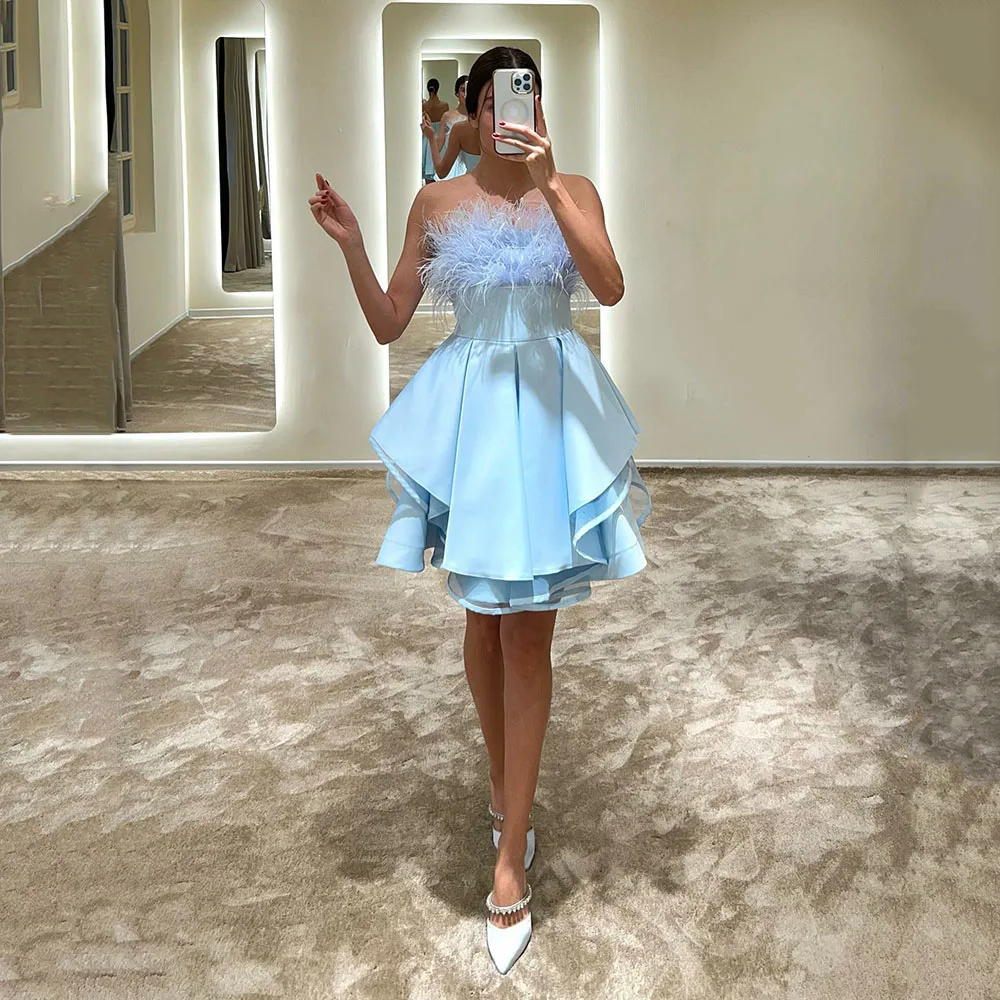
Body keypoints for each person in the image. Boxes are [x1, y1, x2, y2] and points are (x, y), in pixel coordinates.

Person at [309, 45, 651, 976]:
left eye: (525, 95)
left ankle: (510, 856)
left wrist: (551, 187)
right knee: (482, 620)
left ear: (539, 103)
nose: (510, 113)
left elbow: (610, 287)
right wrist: (351, 245)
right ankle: (506, 795)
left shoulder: (573, 188)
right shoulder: (437, 201)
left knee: (528, 633)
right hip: (472, 417)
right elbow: (391, 321)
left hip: (548, 412)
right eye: (495, 99)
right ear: (470, 110)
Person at [422, 74, 478, 180]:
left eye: (469, 90)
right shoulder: (448, 116)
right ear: (457, 93)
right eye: (463, 90)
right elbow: (439, 145)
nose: (466, 95)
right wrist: (431, 137)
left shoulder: (479, 118)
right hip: (451, 165)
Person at [420, 78, 449, 184]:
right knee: (440, 171)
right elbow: (446, 123)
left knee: (428, 174)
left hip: (427, 138)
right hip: (440, 138)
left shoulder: (424, 106)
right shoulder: (444, 105)